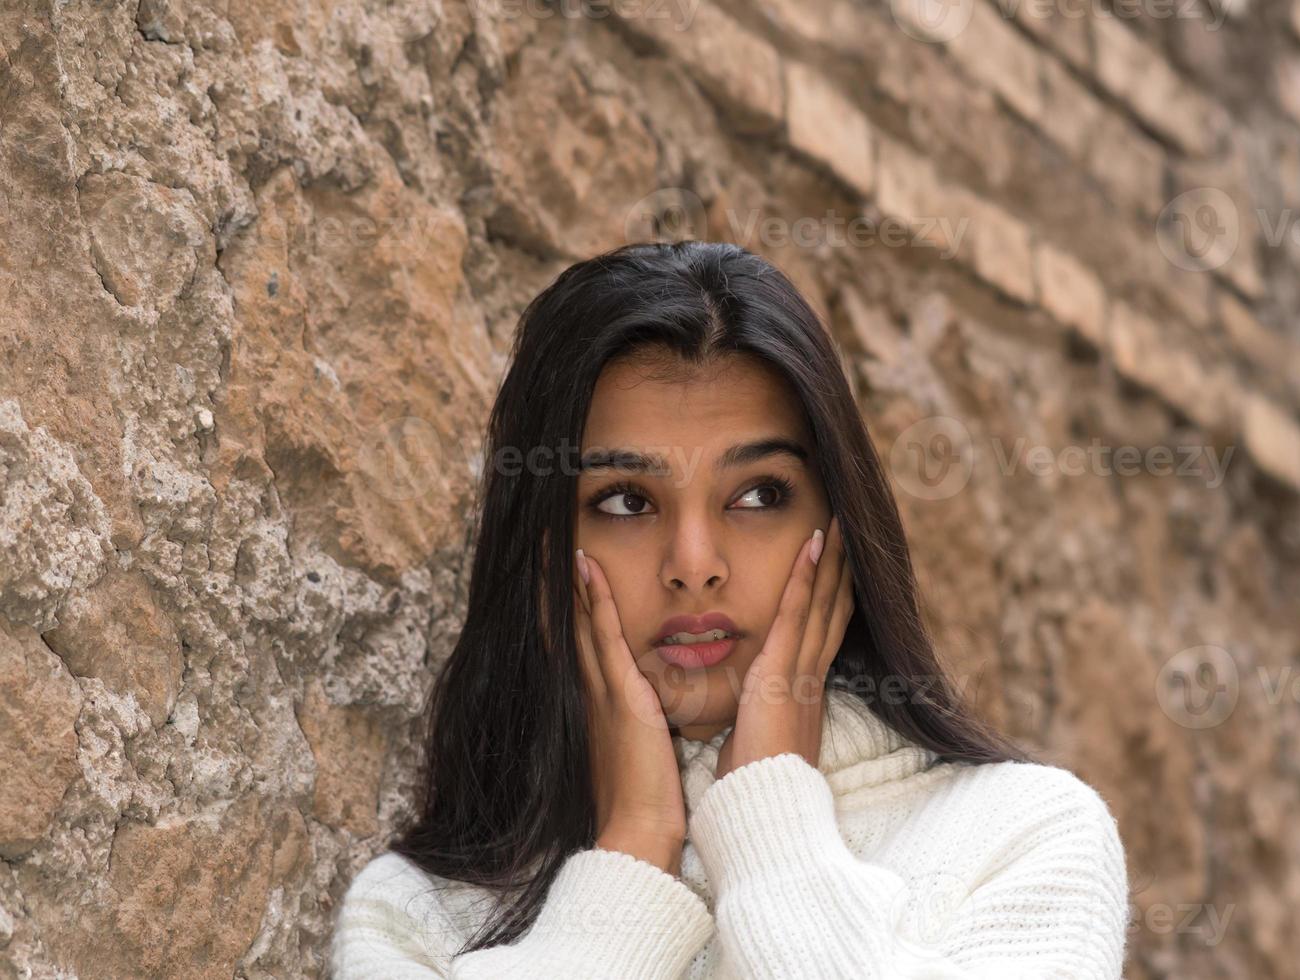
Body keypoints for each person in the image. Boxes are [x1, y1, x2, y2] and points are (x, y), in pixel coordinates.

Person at [329, 240, 1131, 978]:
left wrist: (771, 826)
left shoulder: (1025, 835)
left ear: (839, 523)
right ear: (543, 558)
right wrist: (634, 852)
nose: (694, 566)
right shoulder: (416, 916)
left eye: (757, 494)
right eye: (623, 501)